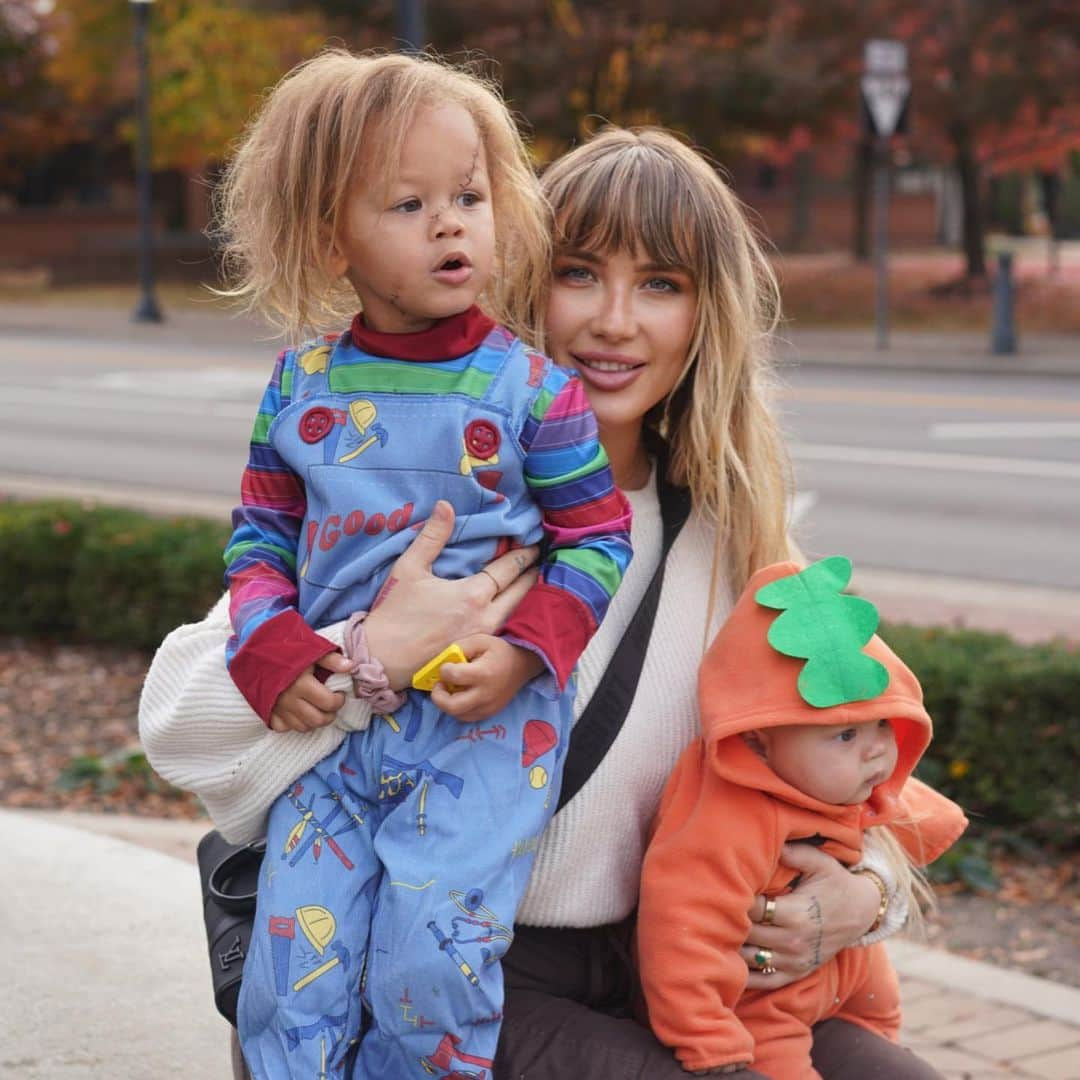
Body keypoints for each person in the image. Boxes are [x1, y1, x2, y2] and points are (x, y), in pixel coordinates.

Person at [141, 125, 964, 1078]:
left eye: (661, 284)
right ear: (520, 274)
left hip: (657, 960)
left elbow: (865, 769)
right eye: (579, 273)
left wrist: (871, 886)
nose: (615, 321)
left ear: (708, 318)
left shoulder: (731, 539)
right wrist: (370, 651)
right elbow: (176, 721)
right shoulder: (443, 501)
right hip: (461, 967)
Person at [210, 50, 632, 1078]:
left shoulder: (534, 393)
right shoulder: (299, 383)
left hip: (477, 739)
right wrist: (274, 649)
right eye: (408, 203)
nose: (451, 223)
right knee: (289, 984)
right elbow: (259, 539)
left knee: (429, 975)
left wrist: (528, 655)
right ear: (330, 237)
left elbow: (598, 539)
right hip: (328, 747)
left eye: (470, 196)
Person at [637, 555, 967, 1077]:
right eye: (845, 734)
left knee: (886, 1045)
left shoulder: (837, 780)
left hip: (852, 974)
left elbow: (908, 814)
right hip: (765, 1001)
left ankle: (875, 1038)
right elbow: (683, 932)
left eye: (882, 723)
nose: (877, 751)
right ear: (759, 741)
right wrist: (709, 1041)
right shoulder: (726, 818)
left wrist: (890, 874)